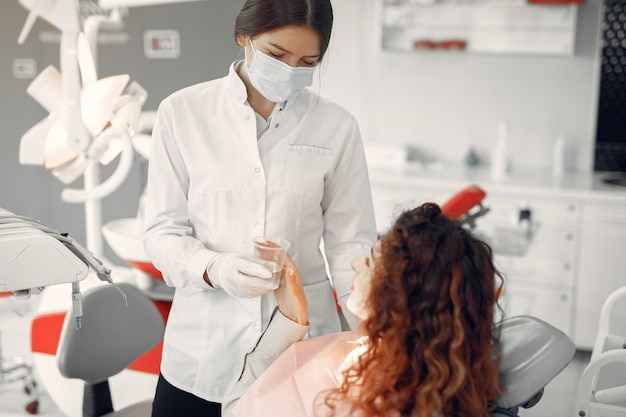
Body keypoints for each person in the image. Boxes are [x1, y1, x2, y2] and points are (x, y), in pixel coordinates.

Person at [141, 0, 377, 415]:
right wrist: (214, 268)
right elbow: (161, 231)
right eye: (276, 55)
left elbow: (351, 246)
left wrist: (374, 334)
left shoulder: (337, 126)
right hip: (202, 351)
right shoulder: (182, 113)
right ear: (243, 37)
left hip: (302, 356)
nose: (289, 71)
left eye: (307, 62)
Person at [222, 202, 504, 417]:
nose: (356, 264)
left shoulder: (359, 394)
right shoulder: (428, 379)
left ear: (403, 297)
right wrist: (292, 319)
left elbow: (237, 408)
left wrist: (288, 325)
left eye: (370, 261)